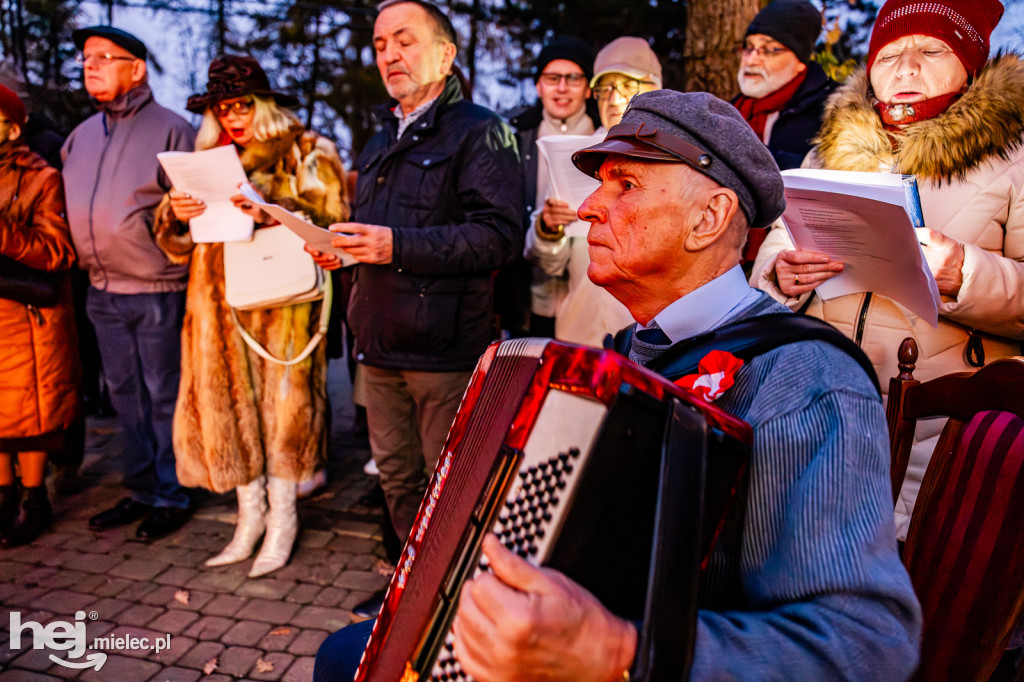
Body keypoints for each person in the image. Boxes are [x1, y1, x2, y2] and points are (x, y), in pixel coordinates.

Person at [314, 90, 922, 682]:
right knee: (349, 655)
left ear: (708, 219)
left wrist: (617, 650)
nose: (586, 208)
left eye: (624, 184)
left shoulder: (803, 377)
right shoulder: (630, 354)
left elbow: (866, 646)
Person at [750, 0, 1024, 539]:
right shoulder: (829, 154)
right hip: (821, 415)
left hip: (940, 433)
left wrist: (965, 272)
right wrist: (780, 274)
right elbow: (777, 245)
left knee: (921, 588)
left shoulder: (1013, 159)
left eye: (931, 50)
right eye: (890, 53)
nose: (906, 68)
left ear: (970, 65)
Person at [306, 0, 522, 619]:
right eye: (379, 44)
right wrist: (346, 253)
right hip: (377, 344)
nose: (390, 55)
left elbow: (499, 237)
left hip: (445, 349)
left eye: (405, 40)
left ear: (446, 53)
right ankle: (414, 585)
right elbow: (379, 236)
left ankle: (463, 600)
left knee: (449, 488)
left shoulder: (483, 131)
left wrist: (392, 246)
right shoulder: (377, 139)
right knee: (397, 482)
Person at [153, 54, 348, 577]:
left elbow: (334, 221)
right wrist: (176, 214)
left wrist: (271, 205)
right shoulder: (203, 158)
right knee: (229, 413)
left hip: (279, 304)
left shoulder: (305, 150)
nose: (233, 117)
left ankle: (283, 521)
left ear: (263, 103)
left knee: (282, 412)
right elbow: (171, 242)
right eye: (222, 108)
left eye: (241, 105)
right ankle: (249, 520)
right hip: (214, 309)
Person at [62, 26, 196, 539]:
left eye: (103, 57)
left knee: (164, 396)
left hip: (158, 289)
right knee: (124, 397)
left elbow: (193, 214)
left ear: (136, 68)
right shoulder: (82, 135)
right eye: (85, 58)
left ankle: (172, 492)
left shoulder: (171, 130)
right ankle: (141, 489)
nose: (90, 65)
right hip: (101, 291)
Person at [525, 36, 661, 346]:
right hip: (577, 338)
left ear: (656, 89)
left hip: (648, 344)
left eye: (628, 86)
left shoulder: (676, 162)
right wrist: (548, 229)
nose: (613, 100)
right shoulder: (575, 157)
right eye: (605, 88)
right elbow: (548, 263)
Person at [0, 84, 80, 546]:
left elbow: (56, 251)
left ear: (12, 128)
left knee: (28, 419)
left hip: (24, 316)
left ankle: (35, 498)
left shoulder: (42, 177)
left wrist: (4, 233)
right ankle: (3, 496)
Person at [498, 37, 600, 338]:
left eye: (573, 78)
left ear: (588, 88)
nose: (562, 87)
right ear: (538, 85)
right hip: (528, 298)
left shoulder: (606, 136)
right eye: (552, 78)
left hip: (587, 294)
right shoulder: (515, 137)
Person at [732, 0, 836, 172]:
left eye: (769, 49)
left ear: (800, 62)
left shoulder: (835, 110)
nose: (751, 60)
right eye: (749, 47)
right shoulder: (729, 109)